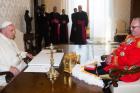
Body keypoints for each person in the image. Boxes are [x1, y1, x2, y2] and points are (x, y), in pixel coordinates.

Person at [85, 17, 140, 82]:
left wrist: (113, 59)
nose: (131, 29)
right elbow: (120, 48)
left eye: (133, 27)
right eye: (131, 26)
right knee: (88, 68)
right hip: (116, 65)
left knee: (90, 73)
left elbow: (130, 62)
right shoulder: (130, 37)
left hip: (125, 72)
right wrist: (111, 55)